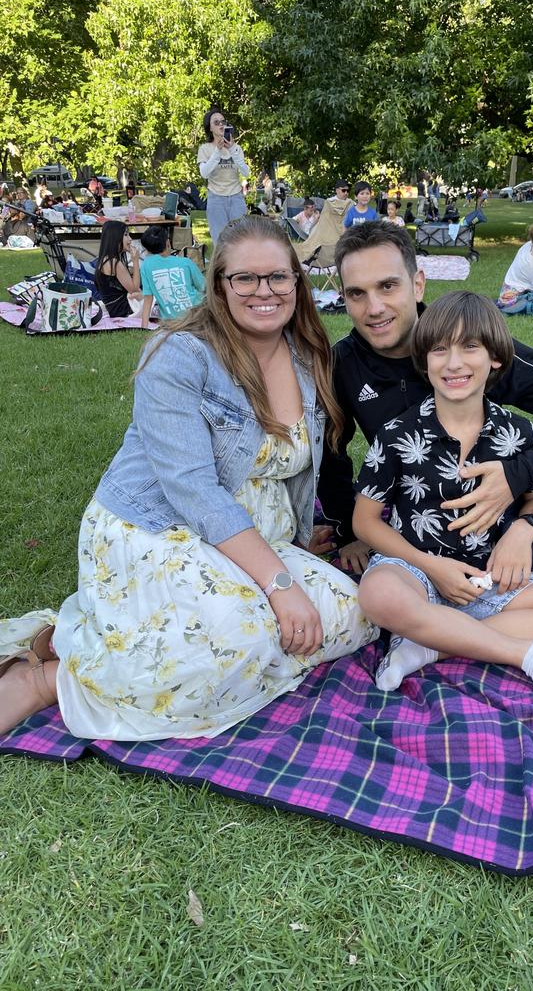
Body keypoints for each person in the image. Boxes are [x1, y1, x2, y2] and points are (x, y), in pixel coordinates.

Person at [0, 217, 377, 740]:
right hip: (158, 527)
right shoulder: (178, 355)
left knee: (350, 616)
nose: (263, 291)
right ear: (219, 285)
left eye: (278, 277)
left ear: (297, 281)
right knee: (238, 640)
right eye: (245, 278)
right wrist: (280, 582)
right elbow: (193, 490)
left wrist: (292, 543)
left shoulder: (309, 356)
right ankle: (50, 674)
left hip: (251, 540)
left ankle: (84, 639)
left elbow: (311, 463)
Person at [316, 220, 533, 619]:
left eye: (388, 286)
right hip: (441, 530)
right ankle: (450, 635)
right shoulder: (343, 366)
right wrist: (350, 532)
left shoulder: (470, 339)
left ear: (417, 283)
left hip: (530, 505)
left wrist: (520, 476)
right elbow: (331, 454)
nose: (374, 308)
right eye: (357, 293)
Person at [353, 292, 533, 710]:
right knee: (378, 595)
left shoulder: (516, 432)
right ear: (424, 360)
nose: (454, 363)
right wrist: (433, 567)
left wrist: (524, 530)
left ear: (496, 358)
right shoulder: (397, 434)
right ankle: (530, 656)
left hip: (489, 578)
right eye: (439, 349)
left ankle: (429, 645)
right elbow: (366, 521)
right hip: (414, 569)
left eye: (470, 347)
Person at [197, 106, 250, 243]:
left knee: (240, 239)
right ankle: (222, 265)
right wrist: (217, 152)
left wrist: (232, 149)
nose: (221, 124)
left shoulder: (236, 148)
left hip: (236, 198)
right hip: (216, 199)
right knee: (220, 241)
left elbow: (245, 172)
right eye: (216, 122)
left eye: (223, 121)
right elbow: (204, 173)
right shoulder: (205, 148)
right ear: (210, 128)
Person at [139, 224, 205, 326]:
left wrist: (143, 327)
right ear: (168, 242)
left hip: (170, 323)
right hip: (197, 317)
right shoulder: (186, 262)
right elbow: (204, 287)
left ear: (147, 249)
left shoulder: (146, 265)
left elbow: (148, 298)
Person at [94, 220, 142, 318]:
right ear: (115, 237)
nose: (130, 239)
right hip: (122, 309)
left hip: (114, 307)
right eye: (126, 235)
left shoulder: (105, 259)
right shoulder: (115, 263)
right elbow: (134, 289)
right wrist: (136, 261)